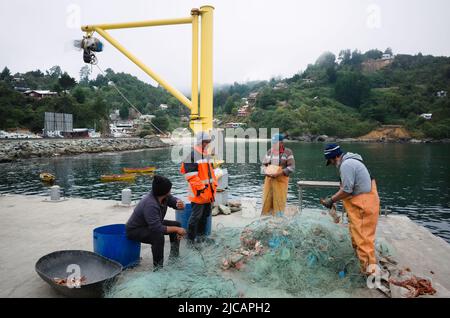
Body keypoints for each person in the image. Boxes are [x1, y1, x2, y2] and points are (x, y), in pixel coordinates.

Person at [321, 143, 380, 274]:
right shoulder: (351, 161)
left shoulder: (346, 165)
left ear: (334, 157)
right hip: (361, 203)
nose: (331, 164)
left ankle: (370, 273)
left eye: (330, 161)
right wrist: (335, 199)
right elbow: (346, 187)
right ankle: (362, 265)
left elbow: (347, 190)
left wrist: (331, 200)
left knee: (364, 240)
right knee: (357, 235)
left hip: (364, 204)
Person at [126, 175, 186, 269]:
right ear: (165, 191)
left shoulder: (164, 196)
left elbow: (173, 201)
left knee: (176, 224)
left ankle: (174, 256)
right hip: (135, 230)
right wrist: (178, 229)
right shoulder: (150, 204)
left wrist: (180, 204)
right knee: (158, 236)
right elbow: (157, 228)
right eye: (170, 189)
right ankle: (158, 268)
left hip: (150, 224)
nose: (170, 191)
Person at [180, 131, 218, 244]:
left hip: (208, 193)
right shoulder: (192, 155)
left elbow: (208, 172)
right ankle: (191, 241)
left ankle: (201, 237)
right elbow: (190, 176)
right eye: (205, 142)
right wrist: (201, 188)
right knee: (196, 217)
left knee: (205, 215)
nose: (207, 144)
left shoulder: (205, 154)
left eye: (208, 142)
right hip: (199, 193)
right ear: (200, 142)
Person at [261, 133, 295, 216]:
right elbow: (263, 166)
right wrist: (266, 171)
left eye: (276, 142)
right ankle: (266, 217)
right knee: (267, 200)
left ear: (281, 143)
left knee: (279, 202)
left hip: (281, 182)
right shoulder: (269, 151)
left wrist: (280, 172)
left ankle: (279, 219)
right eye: (273, 142)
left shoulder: (288, 152)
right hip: (269, 181)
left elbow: (292, 167)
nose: (274, 144)